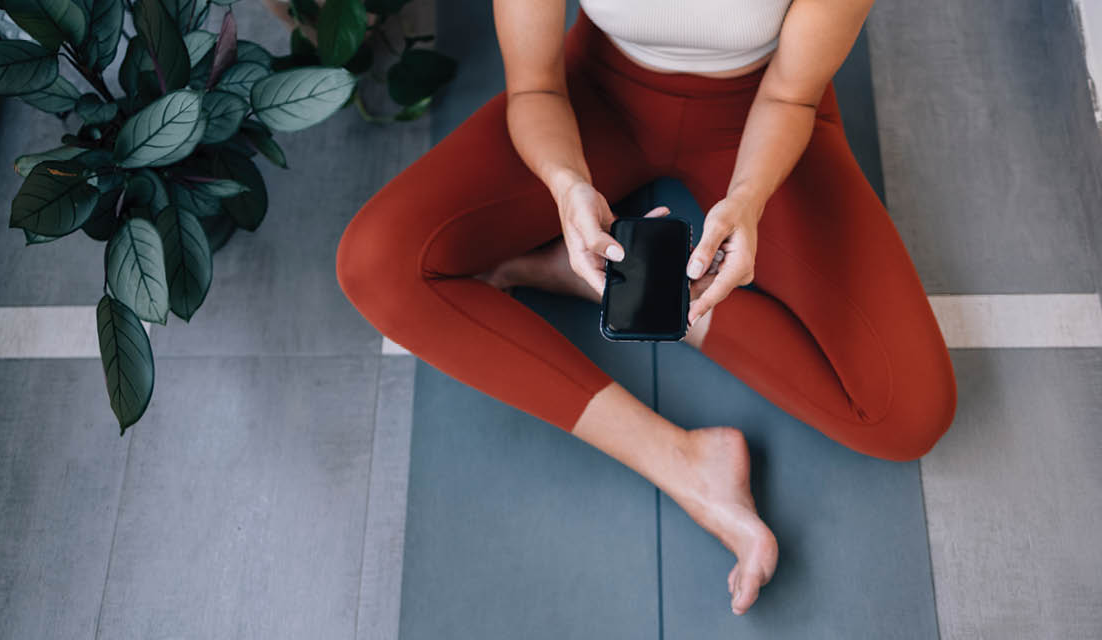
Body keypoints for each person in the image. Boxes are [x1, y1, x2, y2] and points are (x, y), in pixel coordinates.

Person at [335, 0, 957, 616]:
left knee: (907, 414)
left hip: (761, 112)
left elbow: (791, 96)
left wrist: (749, 198)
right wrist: (567, 183)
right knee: (378, 262)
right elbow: (535, 88)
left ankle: (613, 285)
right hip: (594, 99)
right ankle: (685, 463)